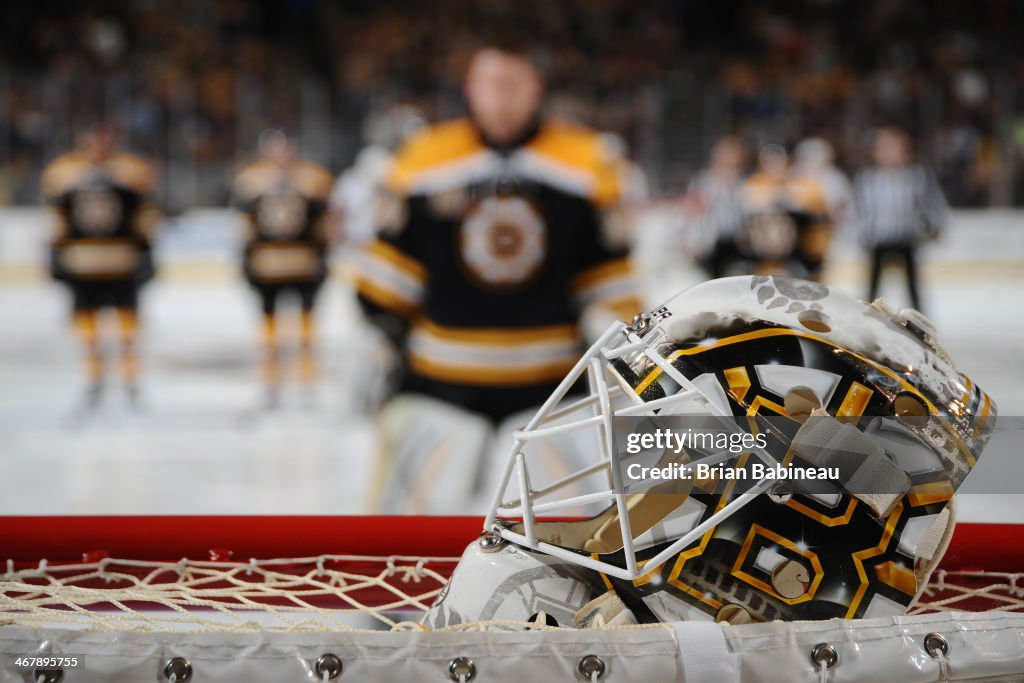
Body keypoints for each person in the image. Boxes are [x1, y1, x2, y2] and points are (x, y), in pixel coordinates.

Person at [353, 39, 640, 513]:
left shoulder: (587, 162)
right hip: (439, 385)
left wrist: (616, 342)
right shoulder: (425, 159)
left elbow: (607, 278)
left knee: (563, 544)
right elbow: (392, 275)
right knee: (414, 544)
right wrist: (375, 331)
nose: (502, 98)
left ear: (537, 88)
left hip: (551, 392)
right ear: (470, 89)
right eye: (491, 84)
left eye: (514, 84)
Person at [41, 124, 159, 410]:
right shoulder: (63, 173)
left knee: (128, 332)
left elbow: (145, 216)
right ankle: (94, 382)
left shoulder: (131, 170)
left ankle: (130, 384)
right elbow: (57, 220)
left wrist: (147, 254)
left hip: (122, 264)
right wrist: (55, 257)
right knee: (88, 332)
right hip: (82, 266)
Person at [232, 129, 334, 407]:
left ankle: (306, 383)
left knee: (305, 332)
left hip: (303, 264)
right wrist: (245, 261)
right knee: (270, 332)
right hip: (268, 265)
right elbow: (245, 227)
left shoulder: (313, 179)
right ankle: (271, 383)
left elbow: (323, 225)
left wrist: (324, 256)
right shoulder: (250, 181)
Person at [854, 127, 948, 311]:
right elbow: (859, 210)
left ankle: (918, 323)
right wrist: (860, 233)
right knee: (873, 286)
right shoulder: (868, 178)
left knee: (913, 288)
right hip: (878, 239)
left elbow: (932, 204)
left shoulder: (916, 176)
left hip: (906, 237)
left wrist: (934, 226)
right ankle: (867, 318)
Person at [739, 143, 831, 280]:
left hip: (800, 251)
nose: (775, 165)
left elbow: (815, 209)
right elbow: (748, 204)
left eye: (779, 160)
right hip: (761, 257)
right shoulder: (755, 182)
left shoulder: (802, 183)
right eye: (769, 160)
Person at [684, 136, 748, 278]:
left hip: (735, 245)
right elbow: (692, 215)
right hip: (709, 245)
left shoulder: (743, 183)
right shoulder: (703, 182)